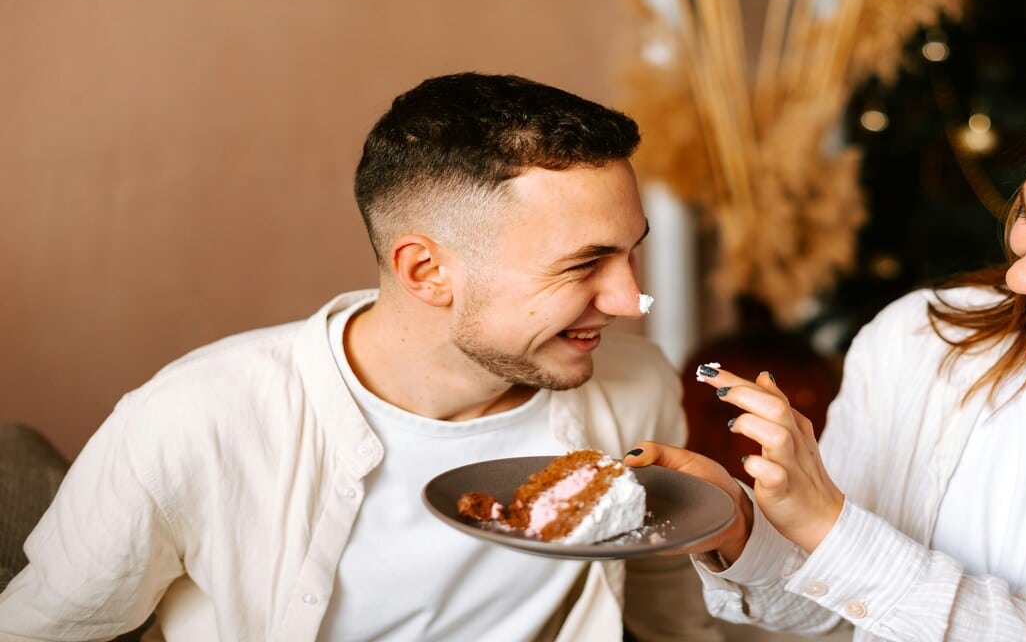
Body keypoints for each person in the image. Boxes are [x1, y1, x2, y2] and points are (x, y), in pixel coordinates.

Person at [0, 73, 722, 642]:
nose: (631, 301)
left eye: (633, 252)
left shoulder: (635, 387)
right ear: (425, 271)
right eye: (584, 265)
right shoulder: (195, 420)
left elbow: (667, 607)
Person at [626, 64, 1026, 640]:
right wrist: (741, 528)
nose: (1021, 279)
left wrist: (831, 527)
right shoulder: (918, 338)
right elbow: (833, 606)